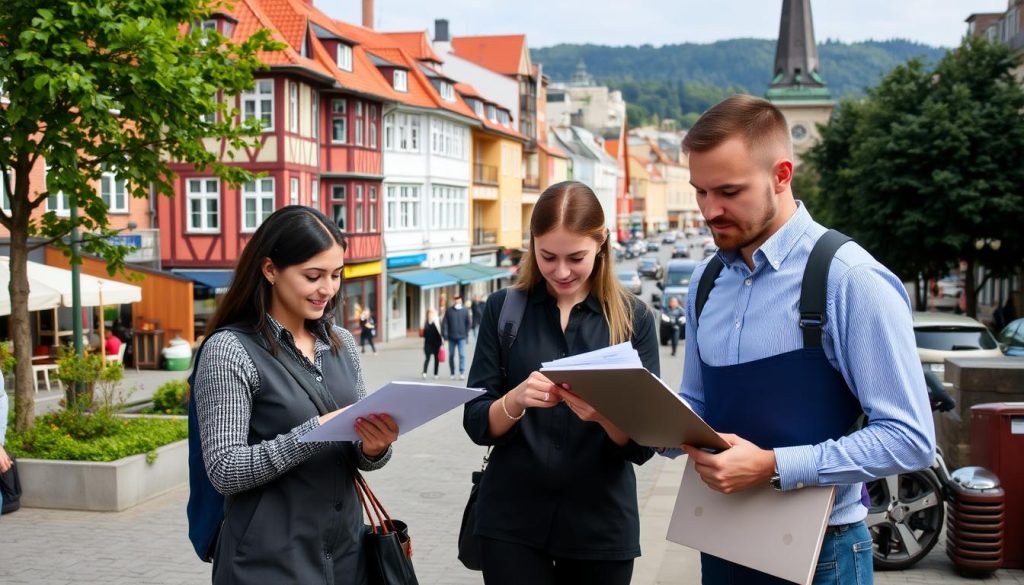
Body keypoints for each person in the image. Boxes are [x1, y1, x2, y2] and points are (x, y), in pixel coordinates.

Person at [667, 95, 935, 585]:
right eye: (699, 191)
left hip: (822, 554)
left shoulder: (850, 279)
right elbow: (698, 406)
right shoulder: (705, 280)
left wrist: (773, 465)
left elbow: (910, 440)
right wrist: (630, 419)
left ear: (781, 175)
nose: (710, 210)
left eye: (727, 191)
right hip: (721, 543)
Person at [463, 181, 659, 585]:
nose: (562, 271)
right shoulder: (504, 309)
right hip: (512, 520)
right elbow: (477, 422)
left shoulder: (633, 318)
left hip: (600, 524)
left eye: (576, 257)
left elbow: (646, 443)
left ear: (602, 242)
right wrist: (516, 399)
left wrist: (605, 416)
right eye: (548, 256)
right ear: (532, 243)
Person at [192, 206, 400, 584]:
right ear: (270, 270)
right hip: (268, 559)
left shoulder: (342, 344)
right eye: (313, 276)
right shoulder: (230, 350)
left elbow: (357, 456)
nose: (328, 289)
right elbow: (224, 468)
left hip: (346, 553)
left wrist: (374, 447)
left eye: (336, 275)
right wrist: (312, 433)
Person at [442, 293, 472, 380]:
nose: (457, 300)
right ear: (453, 300)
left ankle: (462, 372)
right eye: (455, 298)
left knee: (462, 355)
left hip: (461, 337)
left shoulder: (465, 310)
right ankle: (452, 372)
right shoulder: (449, 310)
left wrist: (466, 333)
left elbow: (469, 323)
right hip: (451, 337)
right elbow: (445, 323)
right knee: (451, 355)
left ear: (461, 299)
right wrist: (445, 335)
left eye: (458, 298)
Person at [422, 308, 443, 379]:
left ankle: (436, 373)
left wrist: (442, 343)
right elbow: (424, 334)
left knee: (436, 359)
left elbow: (440, 332)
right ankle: (424, 372)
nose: (431, 315)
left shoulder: (437, 322)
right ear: (427, 314)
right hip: (428, 344)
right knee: (427, 358)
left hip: (436, 343)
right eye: (430, 313)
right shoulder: (425, 322)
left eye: (432, 313)